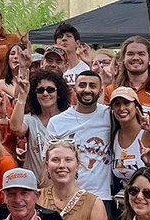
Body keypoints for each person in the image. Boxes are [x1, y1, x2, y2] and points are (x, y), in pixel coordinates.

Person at [47, 71, 114, 210]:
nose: (87, 90)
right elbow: (47, 163)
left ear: (101, 91)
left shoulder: (110, 116)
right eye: (82, 85)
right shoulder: (57, 122)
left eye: (92, 86)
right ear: (74, 89)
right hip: (66, 196)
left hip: (101, 196)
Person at [9, 69, 70, 179]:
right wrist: (22, 97)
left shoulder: (68, 118)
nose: (45, 94)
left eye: (50, 90)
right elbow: (15, 128)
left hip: (61, 184)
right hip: (34, 186)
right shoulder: (31, 120)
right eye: (40, 90)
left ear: (59, 93)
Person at [109, 86, 150, 187]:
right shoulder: (113, 136)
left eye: (126, 103)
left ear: (136, 107)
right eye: (117, 104)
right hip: (130, 199)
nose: (121, 108)